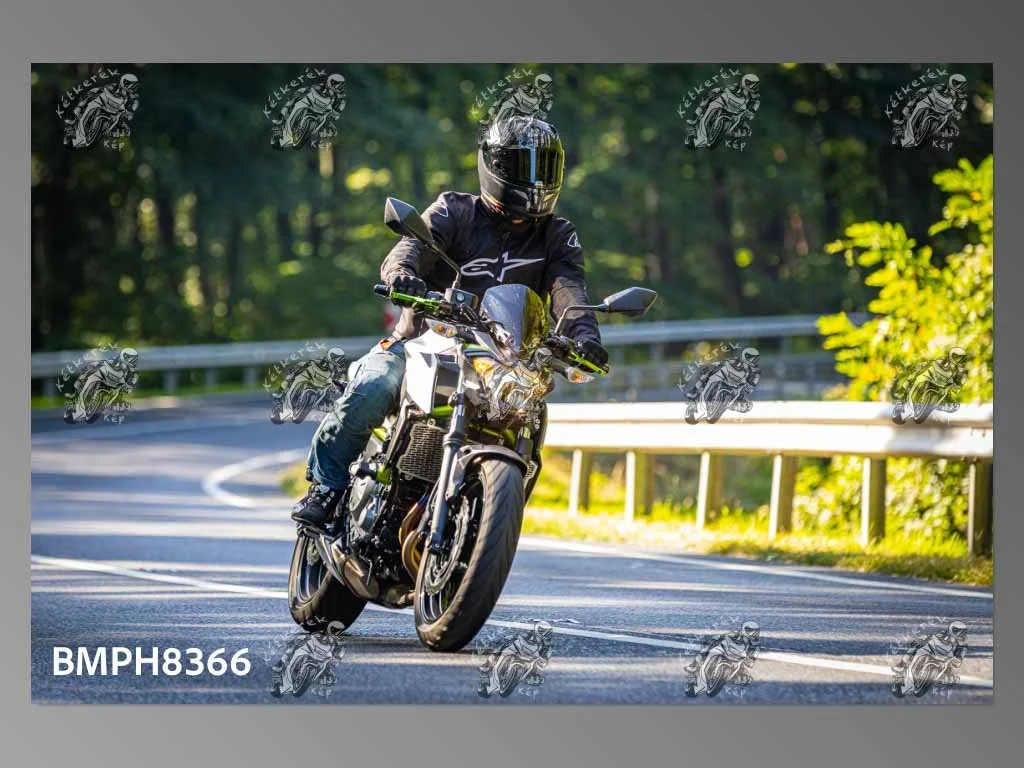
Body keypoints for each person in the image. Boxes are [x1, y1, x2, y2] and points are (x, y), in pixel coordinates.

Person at [291, 115, 608, 527]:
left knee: (529, 417)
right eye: (522, 165)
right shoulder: (454, 211)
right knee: (374, 385)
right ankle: (326, 487)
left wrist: (584, 336)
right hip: (423, 343)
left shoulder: (556, 235)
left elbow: (569, 291)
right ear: (494, 165)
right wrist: (402, 275)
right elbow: (410, 247)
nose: (534, 179)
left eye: (544, 167)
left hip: (503, 362)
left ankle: (481, 517)